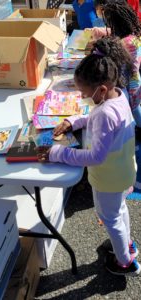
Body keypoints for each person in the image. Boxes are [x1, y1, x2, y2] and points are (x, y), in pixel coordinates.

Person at [37, 38, 141, 276]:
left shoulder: (104, 112)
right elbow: (93, 117)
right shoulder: (119, 95)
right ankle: (126, 245)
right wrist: (72, 121)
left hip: (108, 178)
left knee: (110, 217)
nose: (82, 97)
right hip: (123, 171)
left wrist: (56, 153)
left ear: (101, 89)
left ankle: (124, 262)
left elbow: (94, 156)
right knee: (119, 211)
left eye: (83, 93)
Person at [85, 1, 141, 129]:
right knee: (135, 109)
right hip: (132, 79)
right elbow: (110, 32)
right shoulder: (130, 35)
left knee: (133, 110)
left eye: (109, 22)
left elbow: (112, 56)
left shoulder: (126, 42)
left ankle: (134, 130)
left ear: (116, 23)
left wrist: (98, 48)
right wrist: (97, 32)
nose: (107, 25)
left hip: (129, 84)